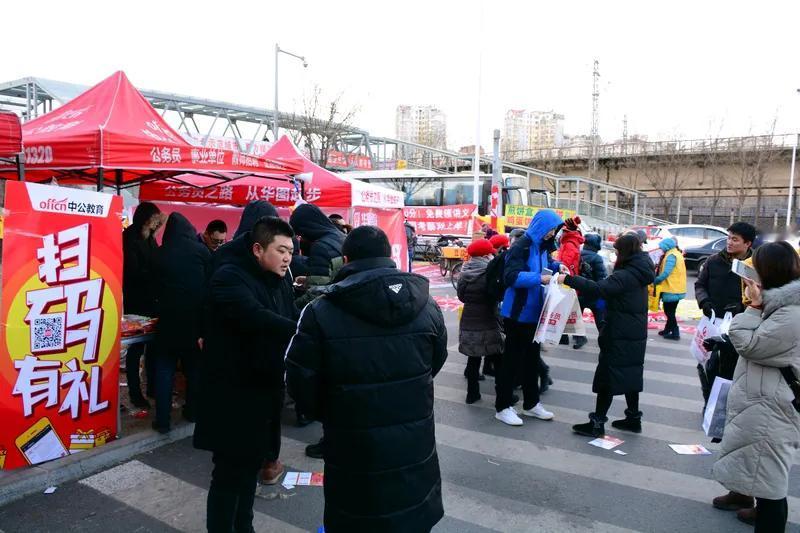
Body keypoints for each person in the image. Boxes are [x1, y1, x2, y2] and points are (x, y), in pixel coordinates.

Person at [286, 225, 448, 533]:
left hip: (353, 441)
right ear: (389, 256)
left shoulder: (320, 311)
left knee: (357, 515)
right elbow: (435, 361)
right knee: (410, 514)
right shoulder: (427, 305)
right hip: (414, 438)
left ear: (346, 259)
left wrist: (334, 412)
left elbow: (299, 381)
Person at [193, 217, 299, 532]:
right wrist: (304, 331)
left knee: (250, 468)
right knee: (229, 474)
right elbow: (257, 317)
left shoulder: (277, 280)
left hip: (263, 392)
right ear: (257, 248)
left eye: (290, 252)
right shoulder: (229, 277)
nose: (287, 258)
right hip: (231, 395)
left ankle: (245, 528)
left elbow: (288, 315)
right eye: (281, 250)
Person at [712, 241, 800, 532]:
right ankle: (748, 500)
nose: (752, 273)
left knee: (770, 481)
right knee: (759, 466)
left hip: (774, 406)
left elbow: (749, 344)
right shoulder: (784, 303)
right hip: (765, 398)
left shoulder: (791, 314)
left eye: (756, 268)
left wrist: (754, 306)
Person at [552, 233, 655, 437]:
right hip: (633, 333)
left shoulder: (625, 275)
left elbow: (599, 289)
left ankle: (597, 423)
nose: (616, 255)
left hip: (619, 333)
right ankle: (633, 418)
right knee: (630, 374)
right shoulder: (640, 270)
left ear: (624, 252)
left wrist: (569, 279)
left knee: (608, 376)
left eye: (617, 251)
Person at [494, 210, 564, 426]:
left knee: (532, 361)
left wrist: (555, 267)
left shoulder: (542, 247)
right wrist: (539, 278)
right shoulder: (521, 246)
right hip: (517, 314)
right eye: (551, 229)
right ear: (541, 227)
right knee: (511, 362)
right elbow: (511, 277)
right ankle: (503, 407)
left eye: (555, 230)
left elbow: (545, 265)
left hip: (536, 314)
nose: (552, 234)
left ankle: (531, 404)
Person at [289, 204, 346, 458]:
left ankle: (326, 437)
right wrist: (308, 280)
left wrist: (290, 308)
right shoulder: (339, 238)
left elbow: (317, 293)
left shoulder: (322, 246)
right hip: (342, 316)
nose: (301, 238)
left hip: (325, 320)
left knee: (322, 379)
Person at [152, 212, 210, 433]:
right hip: (194, 322)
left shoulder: (160, 253)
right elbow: (209, 287)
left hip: (167, 320)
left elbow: (152, 287)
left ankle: (163, 421)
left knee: (164, 369)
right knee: (194, 368)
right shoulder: (201, 251)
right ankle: (193, 412)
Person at [695, 222, 757, 380]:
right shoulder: (713, 261)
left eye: (735, 239)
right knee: (710, 369)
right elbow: (700, 285)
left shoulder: (756, 266)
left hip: (740, 327)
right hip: (713, 324)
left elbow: (761, 295)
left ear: (747, 243)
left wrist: (742, 307)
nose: (729, 242)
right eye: (728, 238)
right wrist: (704, 302)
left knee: (732, 372)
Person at [122, 202, 163, 409]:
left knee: (153, 346)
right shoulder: (130, 237)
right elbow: (131, 271)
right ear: (145, 218)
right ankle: (135, 392)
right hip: (136, 301)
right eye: (154, 220)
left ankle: (153, 387)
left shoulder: (150, 237)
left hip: (151, 300)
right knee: (136, 348)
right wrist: (155, 272)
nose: (157, 224)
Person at [457, 239, 503, 404]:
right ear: (485, 255)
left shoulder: (464, 271)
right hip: (488, 317)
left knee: (473, 357)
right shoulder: (490, 272)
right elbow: (496, 295)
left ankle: (472, 393)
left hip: (469, 318)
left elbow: (461, 296)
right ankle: (503, 396)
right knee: (497, 356)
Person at [559, 216, 586, 348]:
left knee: (570, 309)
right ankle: (564, 336)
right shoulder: (571, 242)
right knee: (567, 308)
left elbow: (566, 262)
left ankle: (579, 337)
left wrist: (560, 271)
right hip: (569, 279)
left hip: (567, 279)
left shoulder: (569, 243)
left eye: (563, 230)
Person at [653, 237, 686, 341]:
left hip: (672, 288)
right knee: (670, 311)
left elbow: (666, 273)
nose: (661, 249)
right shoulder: (676, 253)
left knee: (669, 312)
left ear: (666, 247)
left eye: (662, 247)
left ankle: (675, 333)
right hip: (677, 287)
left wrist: (655, 281)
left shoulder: (671, 256)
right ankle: (667, 330)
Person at [578, 233, 608, 338]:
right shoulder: (597, 258)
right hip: (595, 294)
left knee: (578, 316)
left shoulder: (578, 254)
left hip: (579, 292)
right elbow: (602, 277)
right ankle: (604, 335)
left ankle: (579, 337)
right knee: (601, 314)